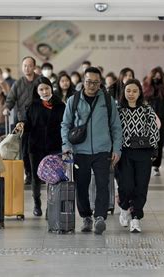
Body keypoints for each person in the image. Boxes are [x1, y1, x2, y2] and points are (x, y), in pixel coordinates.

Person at [60, 67, 122, 235]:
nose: (92, 86)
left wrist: (116, 148)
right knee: (81, 187)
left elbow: (116, 127)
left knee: (103, 184)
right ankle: (86, 216)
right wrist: (66, 146)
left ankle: (100, 217)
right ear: (83, 81)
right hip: (80, 151)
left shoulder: (108, 101)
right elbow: (65, 125)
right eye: (88, 82)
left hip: (103, 150)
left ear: (100, 83)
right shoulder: (73, 100)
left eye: (95, 82)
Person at [16, 77, 65, 216]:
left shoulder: (61, 105)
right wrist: (22, 125)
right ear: (37, 91)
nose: (44, 92)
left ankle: (51, 205)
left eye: (46, 88)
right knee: (36, 177)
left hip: (54, 146)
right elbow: (28, 124)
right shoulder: (32, 105)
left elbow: (65, 125)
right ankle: (37, 204)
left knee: (53, 177)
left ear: (51, 88)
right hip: (36, 146)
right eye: (41, 89)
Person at [117, 79, 159, 233]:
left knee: (141, 186)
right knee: (126, 185)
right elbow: (114, 131)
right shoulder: (118, 110)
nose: (131, 94)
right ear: (124, 92)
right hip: (125, 153)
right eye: (128, 90)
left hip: (143, 152)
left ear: (140, 92)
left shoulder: (147, 109)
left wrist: (154, 149)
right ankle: (124, 207)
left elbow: (154, 129)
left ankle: (136, 218)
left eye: (135, 91)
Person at [3, 56, 40, 194]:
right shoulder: (18, 83)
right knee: (24, 150)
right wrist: (7, 107)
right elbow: (11, 98)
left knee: (38, 149)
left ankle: (39, 174)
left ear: (34, 67)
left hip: (39, 120)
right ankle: (29, 174)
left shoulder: (40, 81)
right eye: (24, 65)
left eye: (29, 65)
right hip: (23, 122)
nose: (27, 68)